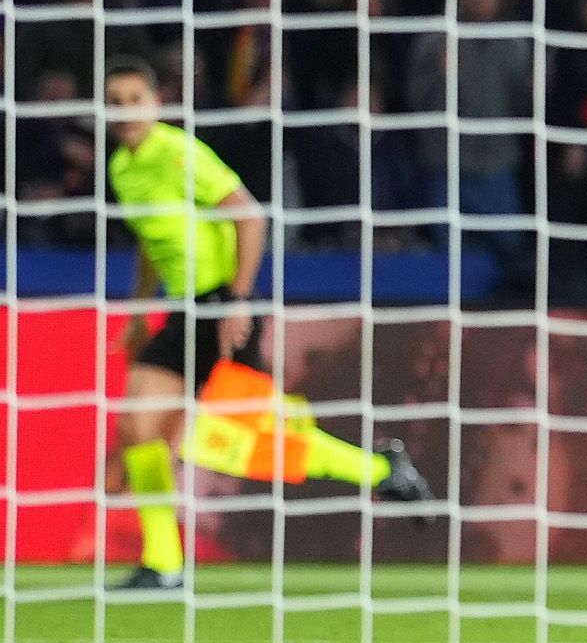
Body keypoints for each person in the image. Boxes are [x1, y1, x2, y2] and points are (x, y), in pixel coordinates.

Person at [97, 59, 422, 594]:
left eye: (134, 99)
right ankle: (164, 563)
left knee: (256, 442)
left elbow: (249, 215)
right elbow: (152, 244)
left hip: (222, 304)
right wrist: (138, 315)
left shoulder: (178, 154)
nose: (125, 111)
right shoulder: (122, 168)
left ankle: (383, 473)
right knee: (137, 427)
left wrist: (239, 301)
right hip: (183, 310)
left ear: (156, 104)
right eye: (115, 101)